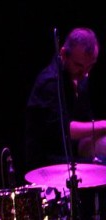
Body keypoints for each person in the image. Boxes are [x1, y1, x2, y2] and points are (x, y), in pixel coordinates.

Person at [25, 27, 106, 170]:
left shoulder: (80, 77)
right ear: (63, 54)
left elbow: (86, 122)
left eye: (90, 66)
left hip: (73, 152)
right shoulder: (50, 83)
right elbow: (64, 130)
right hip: (49, 161)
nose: (85, 73)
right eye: (79, 65)